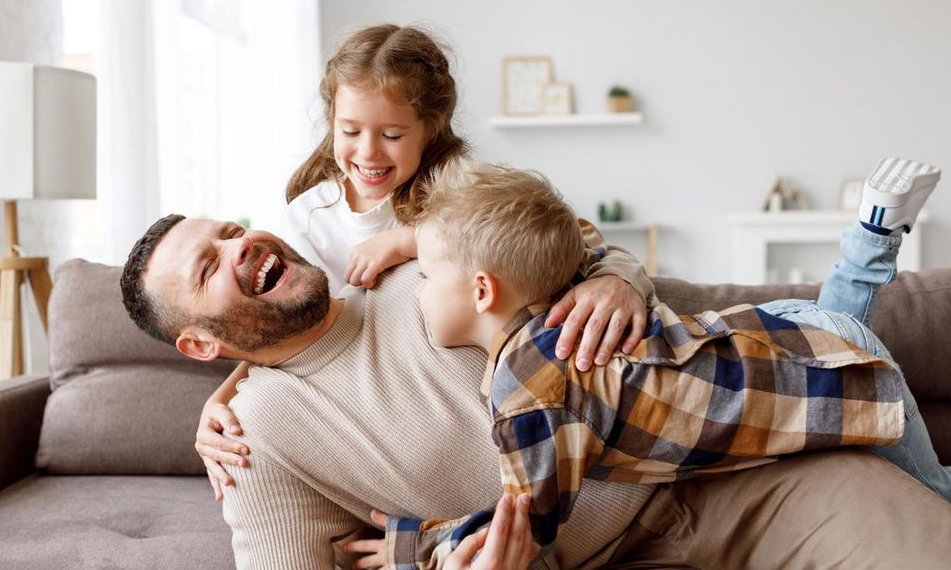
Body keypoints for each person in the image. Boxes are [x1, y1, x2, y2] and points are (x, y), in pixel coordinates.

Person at [120, 178, 951, 569]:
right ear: (199, 345)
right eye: (210, 266)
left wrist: (616, 275)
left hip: (733, 475)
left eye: (232, 229)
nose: (243, 246)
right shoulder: (253, 438)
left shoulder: (423, 265)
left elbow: (566, 232)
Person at [343, 157, 947, 568]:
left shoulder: (530, 393)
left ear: (481, 291)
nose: (417, 292)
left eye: (423, 276)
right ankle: (872, 232)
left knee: (934, 492)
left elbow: (525, 523)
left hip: (814, 370)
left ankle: (871, 241)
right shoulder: (559, 303)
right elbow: (569, 233)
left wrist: (416, 547)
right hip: (792, 334)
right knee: (842, 334)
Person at [196, 23, 653, 501]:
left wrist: (408, 240)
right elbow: (280, 330)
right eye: (350, 131)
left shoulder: (457, 191)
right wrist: (221, 397)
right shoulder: (309, 218)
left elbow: (572, 239)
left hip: (473, 391)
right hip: (372, 404)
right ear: (331, 119)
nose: (368, 152)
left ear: (430, 128)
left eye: (392, 134)